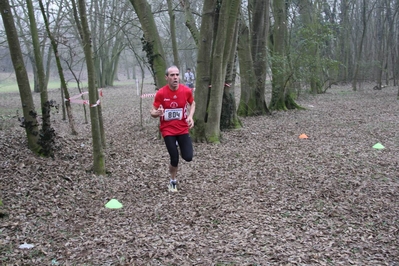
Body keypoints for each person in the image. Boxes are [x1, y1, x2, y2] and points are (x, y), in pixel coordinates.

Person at [150, 66, 196, 192]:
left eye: (177, 74)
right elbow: (152, 111)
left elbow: (192, 103)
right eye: (172, 75)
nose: (175, 77)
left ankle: (181, 147)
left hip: (182, 128)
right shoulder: (161, 93)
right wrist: (157, 113)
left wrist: (190, 116)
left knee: (188, 157)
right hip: (167, 130)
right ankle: (173, 181)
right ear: (166, 78)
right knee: (174, 157)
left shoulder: (186, 91)